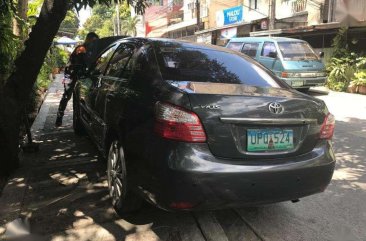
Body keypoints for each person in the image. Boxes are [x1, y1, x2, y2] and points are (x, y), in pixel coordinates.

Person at [55, 32, 99, 127]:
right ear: (89, 39)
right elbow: (82, 62)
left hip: (77, 75)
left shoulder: (89, 50)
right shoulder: (81, 48)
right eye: (93, 41)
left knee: (77, 98)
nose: (94, 43)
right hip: (70, 75)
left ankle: (77, 119)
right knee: (67, 96)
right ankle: (59, 117)